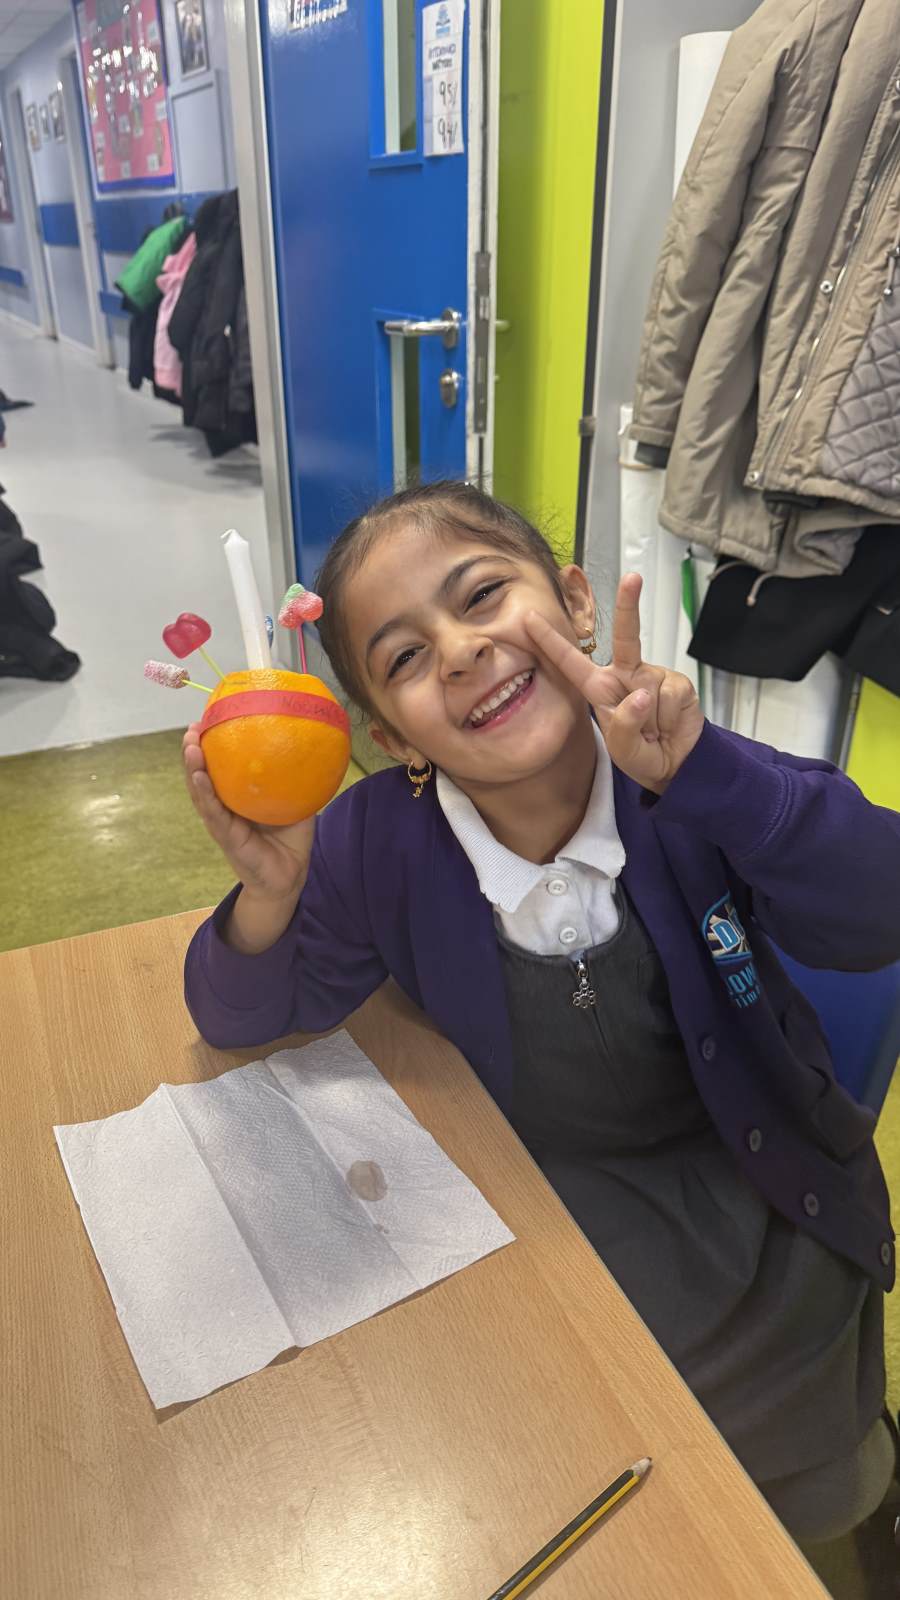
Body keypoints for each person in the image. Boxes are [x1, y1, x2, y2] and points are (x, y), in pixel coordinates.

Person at [183, 481, 899, 1582]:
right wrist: (271, 897)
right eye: (406, 656)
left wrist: (707, 775)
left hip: (770, 1238)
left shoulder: (690, 775)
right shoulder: (375, 843)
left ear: (574, 603)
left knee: (813, 1519)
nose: (461, 651)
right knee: (572, 1517)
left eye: (481, 595)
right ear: (390, 735)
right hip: (551, 1250)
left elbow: (877, 907)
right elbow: (239, 1015)